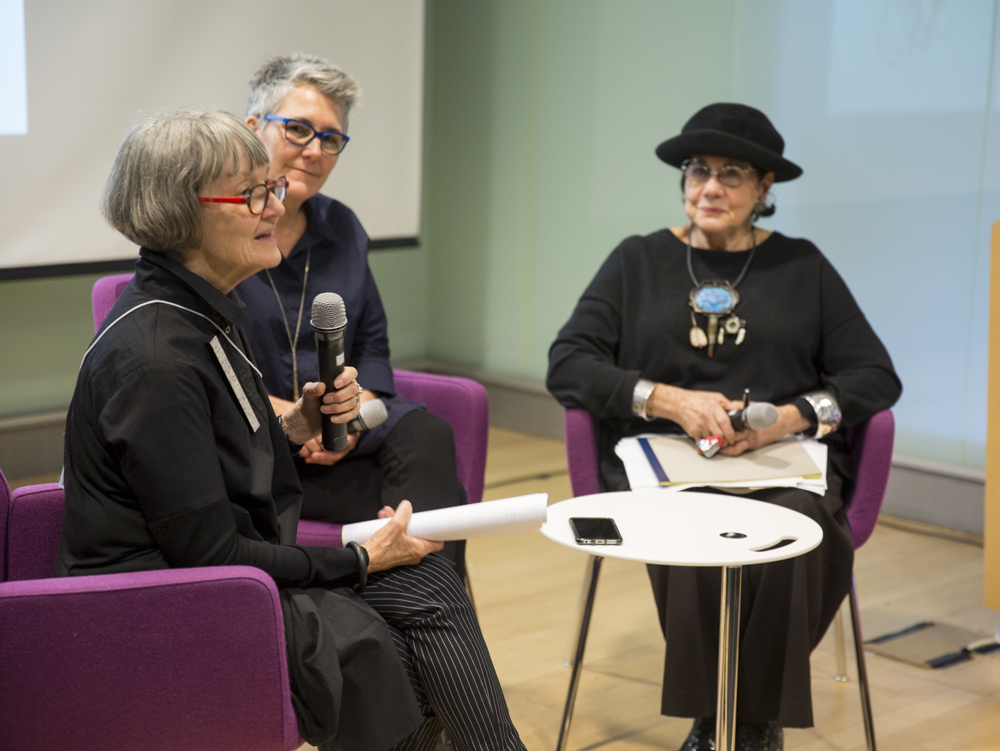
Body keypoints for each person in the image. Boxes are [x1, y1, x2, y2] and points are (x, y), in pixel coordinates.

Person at [56, 109, 525, 751]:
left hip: (206, 576)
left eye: (269, 189)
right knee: (395, 630)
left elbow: (210, 454)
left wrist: (296, 422)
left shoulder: (199, 312)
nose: (274, 206)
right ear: (178, 212)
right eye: (253, 194)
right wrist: (359, 558)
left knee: (425, 591)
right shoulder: (156, 358)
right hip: (160, 608)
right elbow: (213, 555)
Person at [546, 103, 901, 751]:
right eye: (697, 170)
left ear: (766, 188)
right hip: (666, 457)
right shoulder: (637, 260)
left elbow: (876, 377)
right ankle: (721, 719)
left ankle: (746, 721)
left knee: (805, 523)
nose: (709, 187)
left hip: (780, 458)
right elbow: (568, 362)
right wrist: (669, 400)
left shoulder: (803, 267)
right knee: (694, 515)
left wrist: (789, 417)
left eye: (732, 173)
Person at [233, 53, 469, 579]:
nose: (314, 151)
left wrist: (350, 418)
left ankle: (416, 622)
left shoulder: (343, 226)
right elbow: (208, 371)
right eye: (297, 129)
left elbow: (372, 350)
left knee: (426, 438)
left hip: (342, 451)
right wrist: (302, 419)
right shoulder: (218, 234)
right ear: (253, 128)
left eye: (331, 138)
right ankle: (435, 630)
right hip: (260, 453)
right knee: (438, 510)